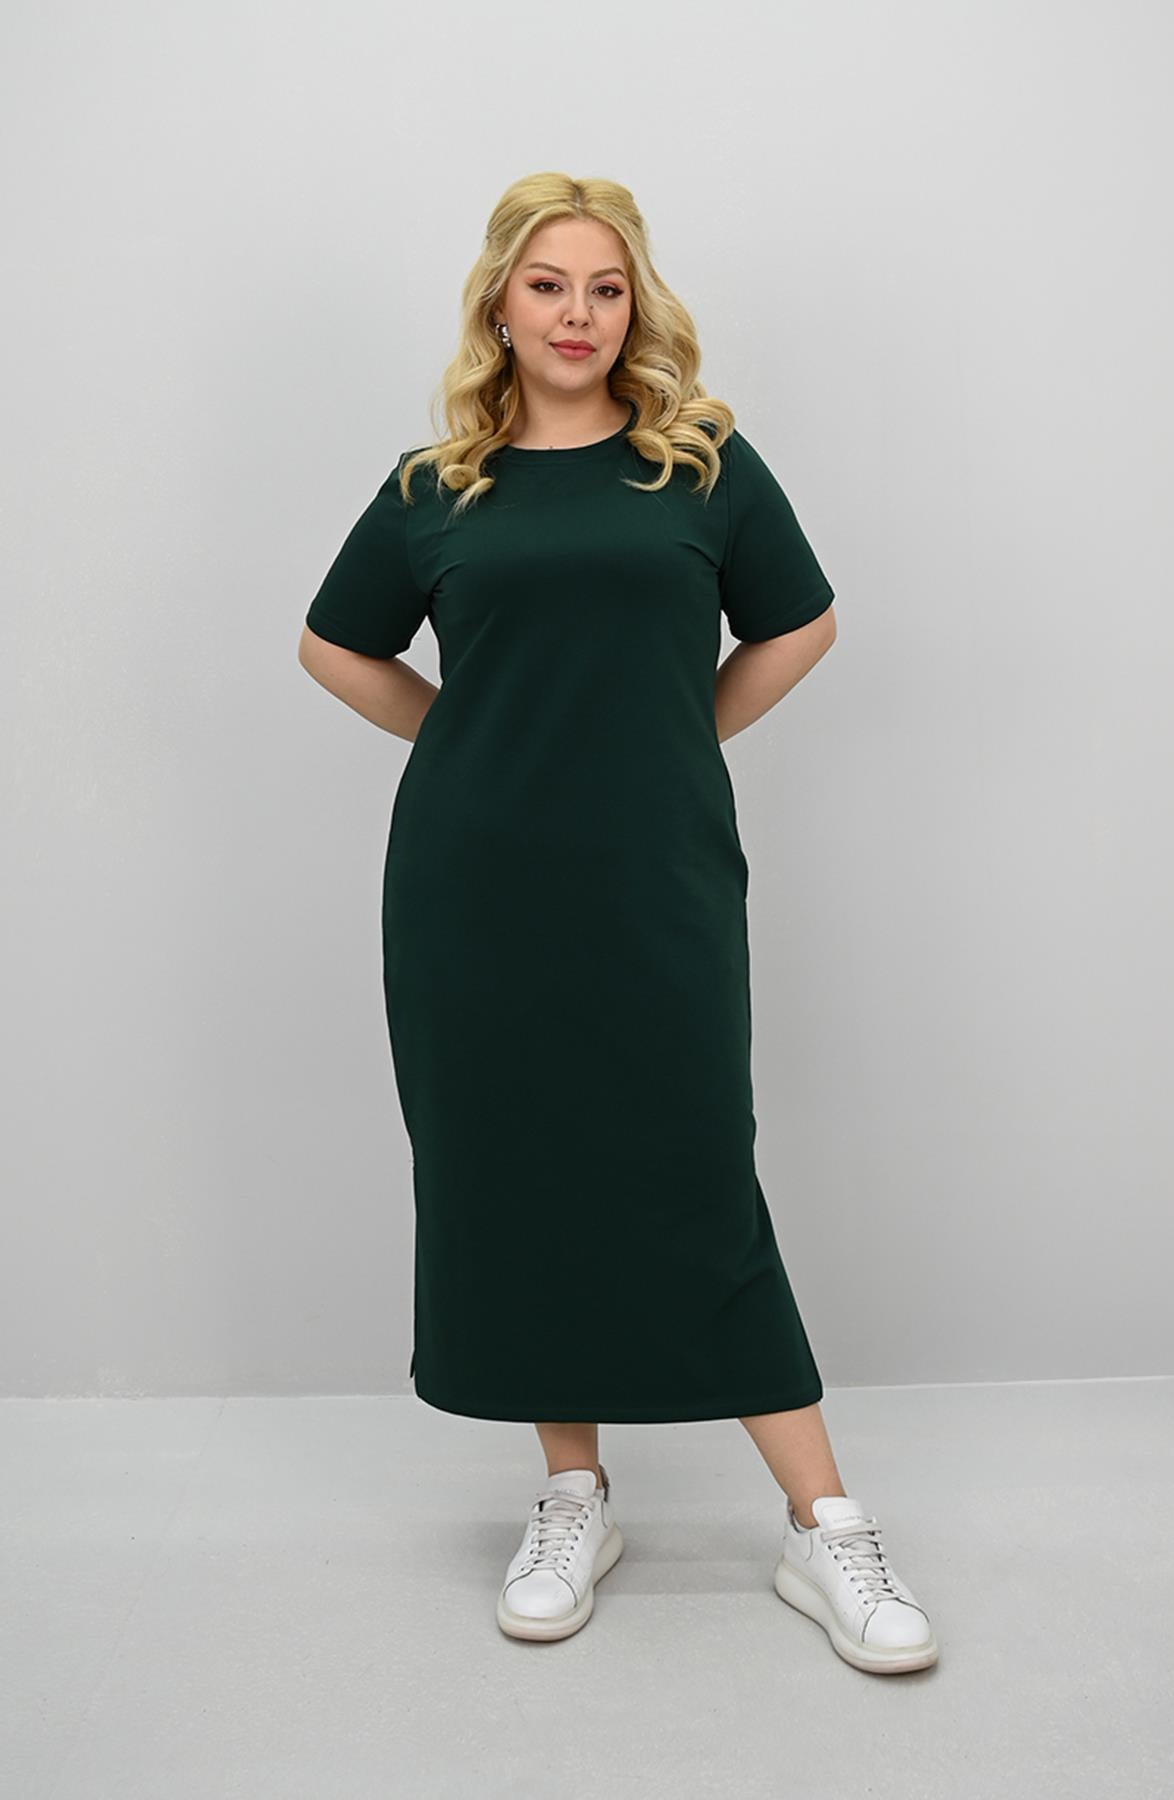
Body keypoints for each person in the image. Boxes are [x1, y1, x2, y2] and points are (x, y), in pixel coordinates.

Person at [298, 171, 938, 1676]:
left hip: (656, 873)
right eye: (548, 285)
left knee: (694, 1169)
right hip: (475, 888)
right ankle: (572, 1496)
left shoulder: (698, 465)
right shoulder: (436, 487)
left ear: (634, 305)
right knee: (515, 1169)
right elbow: (334, 644)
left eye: (604, 286)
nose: (577, 313)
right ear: (500, 305)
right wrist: (472, 743)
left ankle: (824, 1523)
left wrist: (673, 737)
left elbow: (801, 620)